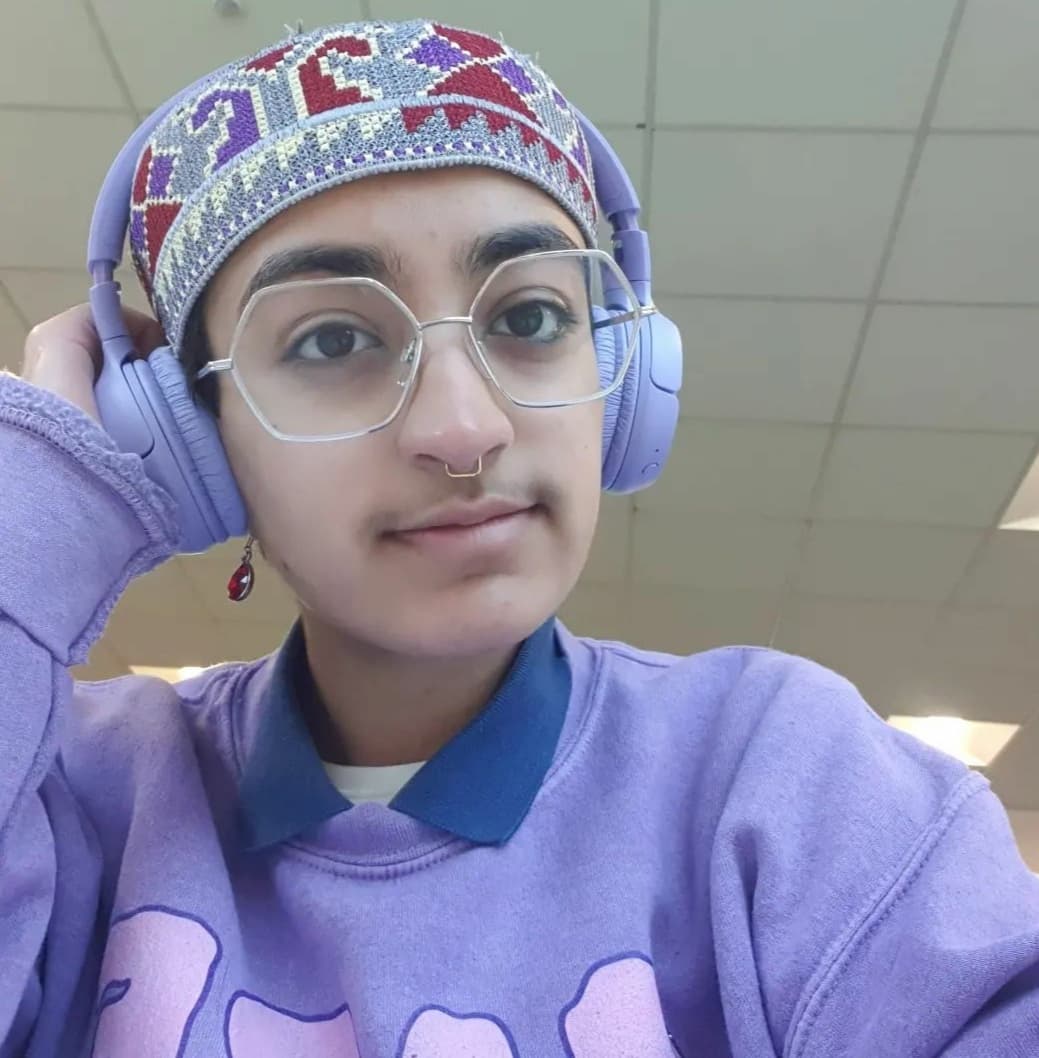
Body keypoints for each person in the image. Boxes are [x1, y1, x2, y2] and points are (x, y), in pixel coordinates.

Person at [3, 19, 1037, 1058]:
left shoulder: (784, 778)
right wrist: (41, 502)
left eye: (531, 319)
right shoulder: (80, 794)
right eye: (331, 339)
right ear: (193, 438)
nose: (464, 429)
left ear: (624, 373)